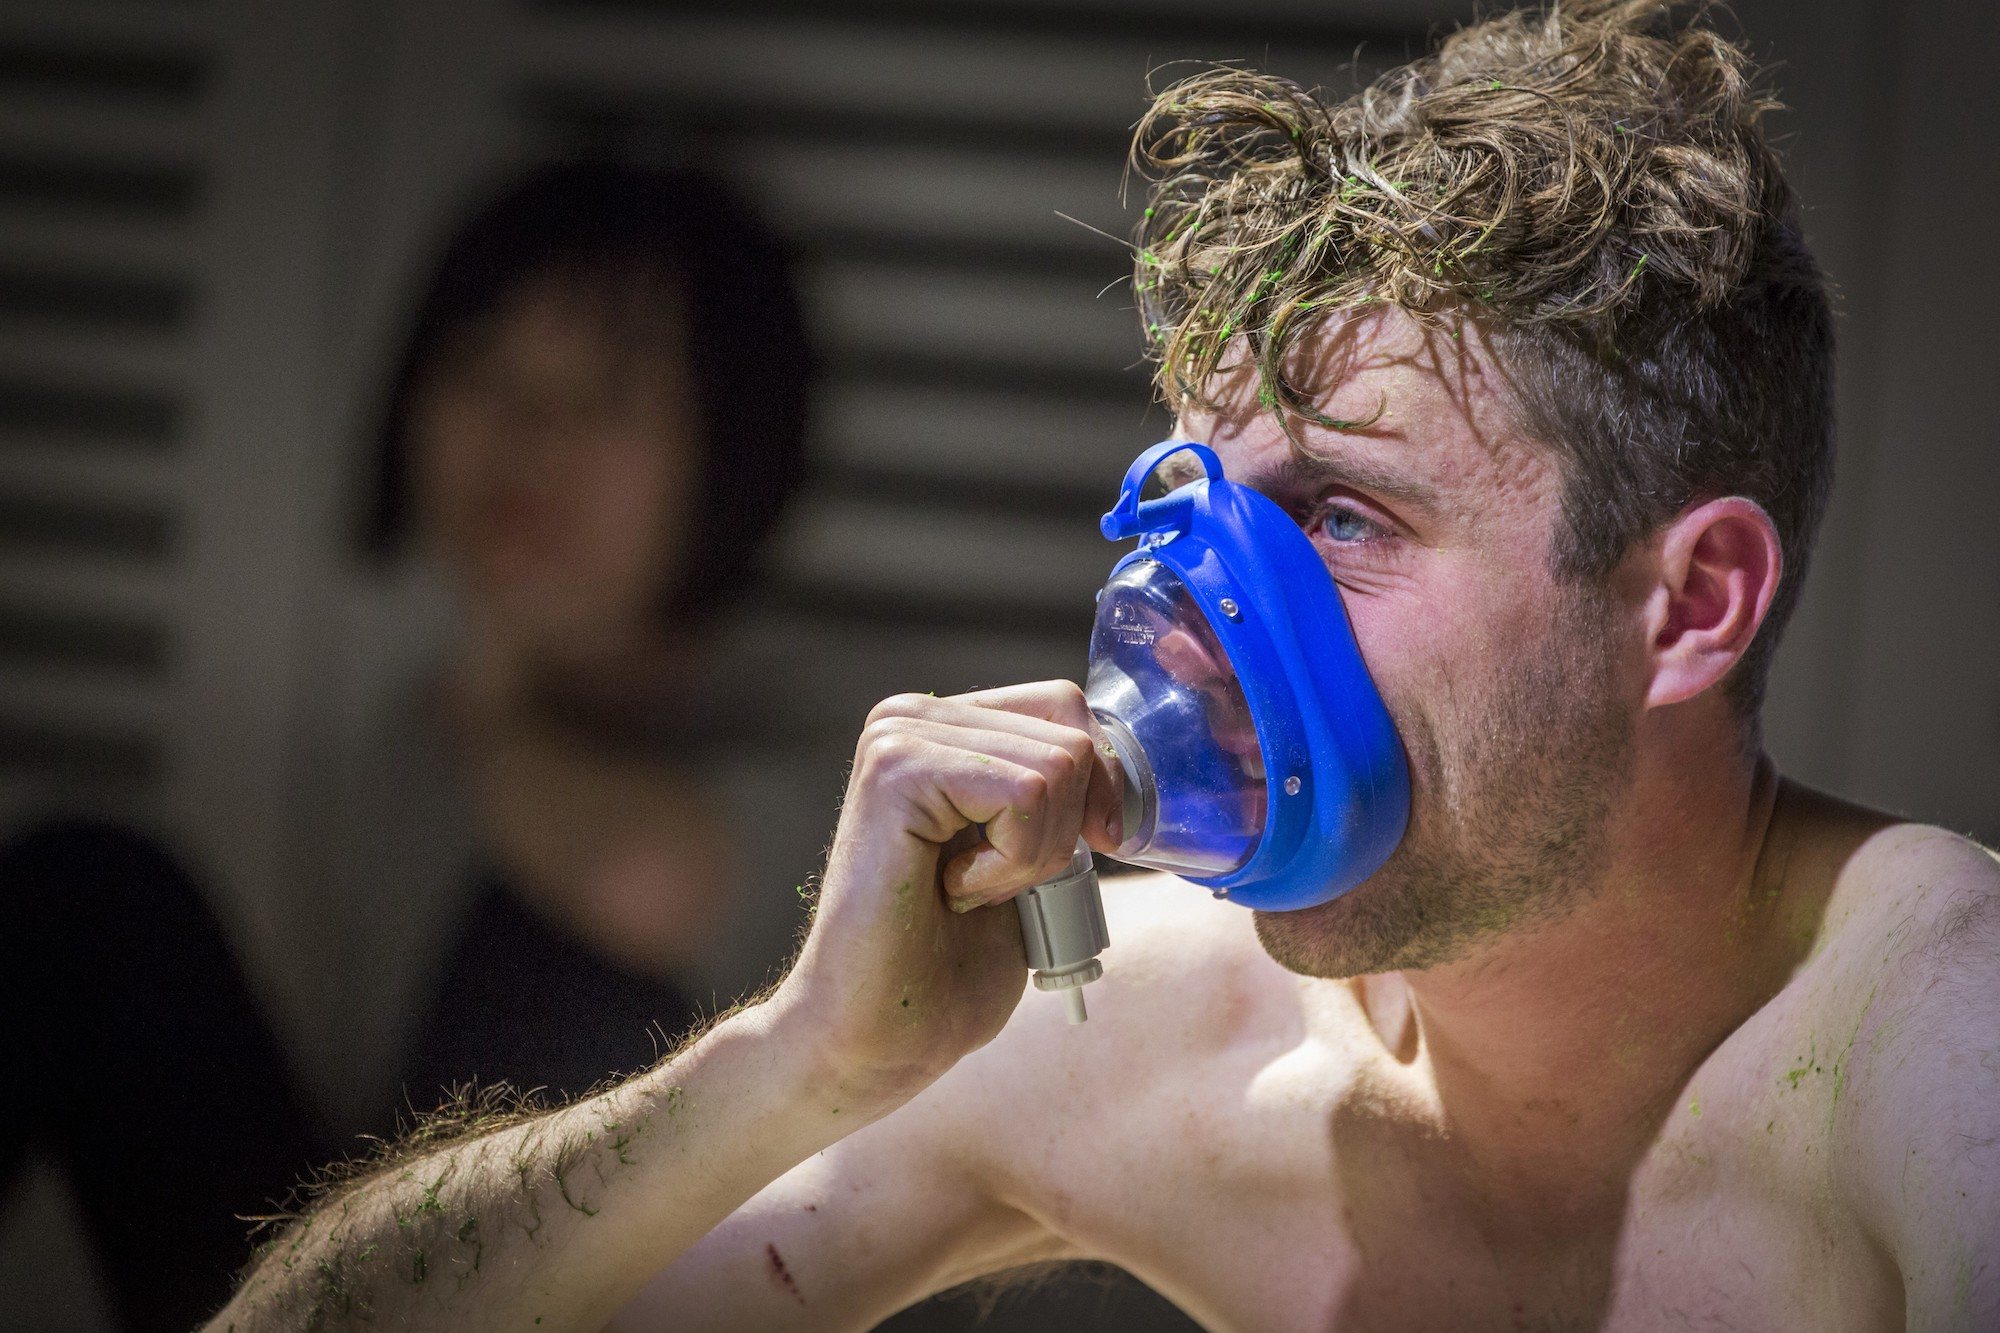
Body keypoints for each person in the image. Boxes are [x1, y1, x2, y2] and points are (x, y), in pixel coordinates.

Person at [209, 4, 1999, 1329]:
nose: (1216, 607)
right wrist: (797, 1062)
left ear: (1691, 606)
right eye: (1198, 509)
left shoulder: (1930, 1042)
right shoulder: (1149, 1026)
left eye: (1347, 518)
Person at [330, 159, 825, 1113]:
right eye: (486, 370)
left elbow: (638, 885)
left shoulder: (843, 721)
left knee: (547, 942)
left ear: (727, 449)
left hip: (691, 1252)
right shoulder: (413, 738)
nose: (531, 439)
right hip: (383, 1240)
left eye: (606, 397)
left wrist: (493, 702)